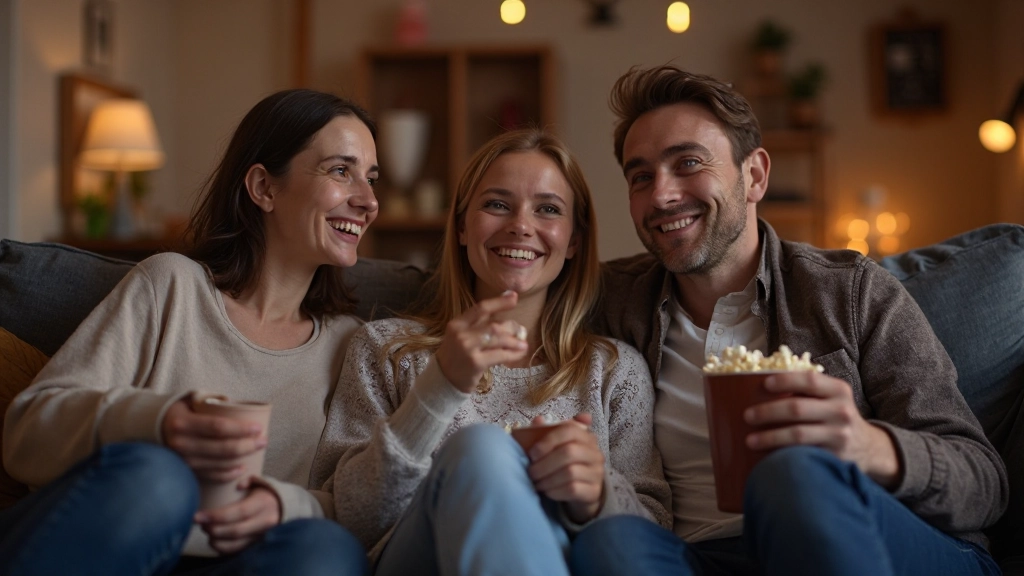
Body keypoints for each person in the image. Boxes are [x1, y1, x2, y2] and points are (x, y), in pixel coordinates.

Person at [569, 65, 1008, 576]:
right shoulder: (609, 301)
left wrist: (871, 447)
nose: (662, 195)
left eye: (688, 162)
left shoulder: (849, 292)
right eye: (641, 176)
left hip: (880, 541)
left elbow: (984, 484)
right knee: (612, 541)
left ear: (754, 175)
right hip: (696, 556)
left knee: (793, 476)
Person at [1, 89, 378, 576]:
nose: (368, 201)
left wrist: (284, 505)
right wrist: (160, 423)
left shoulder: (352, 345)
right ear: (264, 187)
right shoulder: (171, 285)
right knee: (159, 479)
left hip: (239, 563)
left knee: (327, 551)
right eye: (340, 171)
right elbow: (26, 431)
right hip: (112, 544)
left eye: (371, 179)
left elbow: (358, 505)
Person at [309, 128, 671, 576]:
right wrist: (436, 392)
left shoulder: (614, 372)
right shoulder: (385, 350)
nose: (521, 224)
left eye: (548, 209)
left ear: (574, 240)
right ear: (462, 226)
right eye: (497, 204)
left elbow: (654, 536)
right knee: (481, 449)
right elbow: (346, 520)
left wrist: (598, 496)